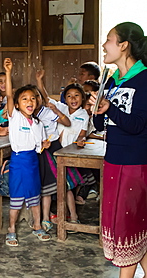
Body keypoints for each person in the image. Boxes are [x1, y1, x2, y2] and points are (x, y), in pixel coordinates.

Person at [91, 22, 147, 278]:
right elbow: (102, 125)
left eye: (109, 40)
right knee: (130, 228)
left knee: (127, 228)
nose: (104, 45)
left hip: (134, 163)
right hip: (113, 159)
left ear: (124, 45)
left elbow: (137, 125)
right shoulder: (112, 80)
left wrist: (109, 108)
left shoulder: (144, 79)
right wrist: (97, 109)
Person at [3, 58, 51, 246]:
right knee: (16, 198)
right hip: (18, 161)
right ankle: (11, 228)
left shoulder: (38, 123)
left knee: (34, 196)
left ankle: (37, 226)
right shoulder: (15, 118)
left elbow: (39, 145)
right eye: (24, 99)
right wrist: (8, 72)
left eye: (32, 98)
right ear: (17, 105)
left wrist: (44, 145)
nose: (29, 101)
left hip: (33, 161)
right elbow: (8, 96)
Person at [32, 83, 71, 232]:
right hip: (37, 150)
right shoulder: (26, 115)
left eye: (37, 96)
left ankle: (53, 215)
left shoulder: (47, 112)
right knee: (41, 185)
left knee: (55, 184)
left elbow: (67, 122)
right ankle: (42, 216)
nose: (34, 100)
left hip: (52, 149)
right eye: (30, 98)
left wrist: (55, 110)